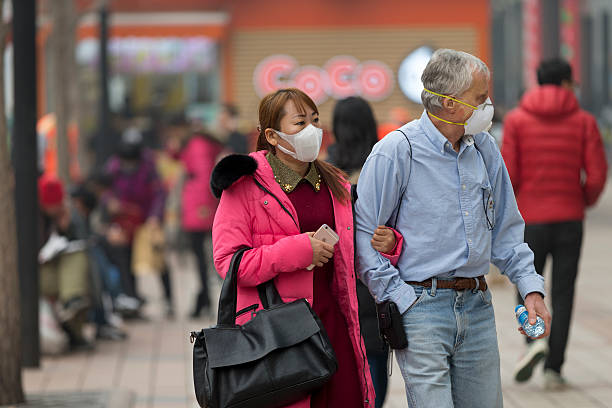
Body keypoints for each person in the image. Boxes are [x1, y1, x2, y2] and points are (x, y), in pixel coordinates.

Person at [355, 49, 552, 408]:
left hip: (477, 305)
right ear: (447, 104)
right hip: (421, 310)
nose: (488, 105)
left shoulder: (485, 149)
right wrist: (402, 299)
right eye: (480, 98)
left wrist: (531, 290)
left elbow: (507, 231)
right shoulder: (397, 152)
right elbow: (363, 237)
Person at [210, 88, 402, 408]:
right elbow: (229, 263)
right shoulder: (244, 185)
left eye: (314, 120)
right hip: (276, 335)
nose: (312, 130)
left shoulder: (335, 182)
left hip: (334, 322)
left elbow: (356, 248)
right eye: (299, 123)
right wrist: (298, 251)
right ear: (271, 135)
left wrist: (391, 244)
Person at [502, 58, 608, 389]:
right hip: (569, 220)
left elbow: (509, 174)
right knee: (563, 292)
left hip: (530, 220)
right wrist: (583, 200)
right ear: (565, 83)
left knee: (526, 283)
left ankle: (534, 342)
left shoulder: (517, 121)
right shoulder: (585, 122)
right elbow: (597, 173)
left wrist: (519, 205)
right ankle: (554, 368)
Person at [327, 96, 392, 408]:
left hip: (338, 272)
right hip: (379, 273)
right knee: (376, 356)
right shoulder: (384, 162)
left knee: (342, 356)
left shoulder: (325, 167)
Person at [104, 129, 174, 317]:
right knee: (127, 260)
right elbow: (105, 191)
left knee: (158, 259)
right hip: (125, 220)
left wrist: (154, 217)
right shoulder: (114, 166)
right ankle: (132, 301)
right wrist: (111, 204)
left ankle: (169, 301)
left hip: (147, 219)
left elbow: (160, 192)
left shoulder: (149, 165)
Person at [38, 175, 92, 351]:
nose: (54, 209)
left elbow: (83, 241)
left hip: (63, 273)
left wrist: (66, 227)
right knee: (73, 275)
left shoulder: (67, 212)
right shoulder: (31, 217)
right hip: (40, 273)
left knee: (76, 256)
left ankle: (72, 301)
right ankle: (71, 303)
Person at [181, 125, 225, 318]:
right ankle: (204, 297)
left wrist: (203, 208)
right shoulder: (202, 145)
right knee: (208, 256)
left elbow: (203, 177)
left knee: (203, 257)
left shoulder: (197, 145)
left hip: (199, 209)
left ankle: (204, 297)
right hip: (202, 207)